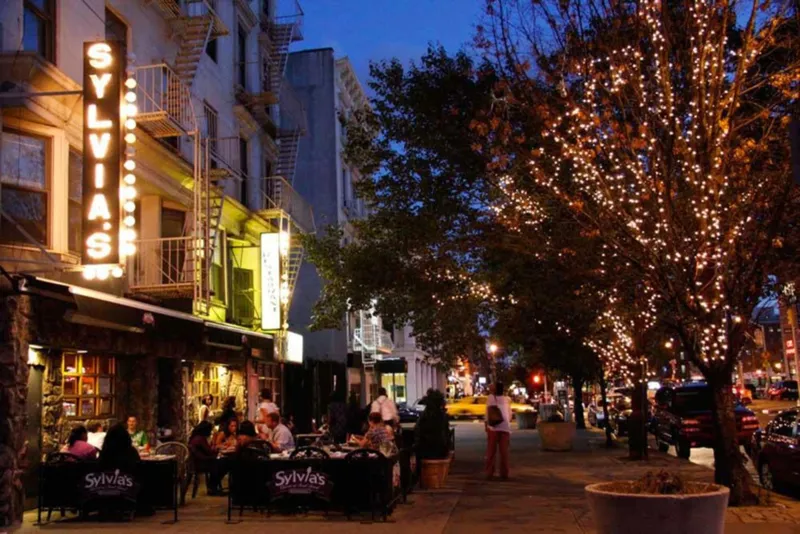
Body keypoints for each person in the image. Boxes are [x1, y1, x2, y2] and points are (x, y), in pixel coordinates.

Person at [188, 421, 224, 495]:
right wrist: (216, 450)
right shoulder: (200, 439)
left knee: (218, 462)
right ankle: (213, 487)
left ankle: (212, 487)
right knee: (220, 464)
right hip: (201, 463)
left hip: (197, 462)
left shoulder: (195, 437)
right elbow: (209, 451)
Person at [485, 382, 512, 480]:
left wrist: (486, 426)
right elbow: (510, 414)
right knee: (504, 452)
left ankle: (489, 473)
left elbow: (487, 413)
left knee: (491, 452)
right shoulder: (507, 399)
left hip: (493, 428)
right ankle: (504, 473)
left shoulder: (491, 398)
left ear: (495, 389)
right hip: (505, 428)